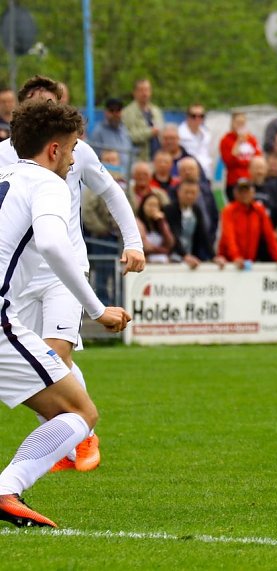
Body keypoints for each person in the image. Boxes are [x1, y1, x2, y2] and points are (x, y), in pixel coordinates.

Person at [0, 76, 144, 475]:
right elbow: (48, 241)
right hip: (18, 285)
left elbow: (112, 192)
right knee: (59, 387)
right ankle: (68, 432)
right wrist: (98, 310)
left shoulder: (72, 156)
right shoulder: (40, 176)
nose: (72, 155)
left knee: (55, 354)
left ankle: (65, 435)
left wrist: (133, 241)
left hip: (65, 273)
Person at [217, 179, 277, 269]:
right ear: (235, 194)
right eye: (241, 191)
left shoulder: (259, 210)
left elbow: (270, 236)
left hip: (249, 262)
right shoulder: (229, 211)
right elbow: (229, 237)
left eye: (247, 191)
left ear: (253, 193)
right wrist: (236, 257)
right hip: (228, 262)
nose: (244, 194)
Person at [163, 180, 217, 268]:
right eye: (186, 192)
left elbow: (203, 235)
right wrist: (184, 256)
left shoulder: (196, 210)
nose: (189, 196)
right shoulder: (169, 210)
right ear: (178, 192)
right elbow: (173, 234)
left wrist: (214, 256)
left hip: (190, 256)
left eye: (193, 193)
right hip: (171, 256)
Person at [219, 111, 261, 201]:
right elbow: (228, 161)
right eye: (238, 123)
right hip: (234, 181)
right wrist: (238, 143)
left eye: (242, 123)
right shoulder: (226, 140)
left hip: (250, 180)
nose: (240, 125)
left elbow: (258, 158)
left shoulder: (251, 139)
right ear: (232, 123)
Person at [88, 97, 134, 175]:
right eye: (112, 110)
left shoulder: (124, 129)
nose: (115, 114)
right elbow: (93, 160)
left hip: (127, 177)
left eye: (118, 110)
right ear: (105, 112)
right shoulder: (98, 132)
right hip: (109, 177)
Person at [122, 78, 164, 162]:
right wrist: (150, 132)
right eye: (141, 90)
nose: (144, 93)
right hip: (139, 159)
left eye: (147, 90)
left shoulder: (156, 111)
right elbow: (129, 136)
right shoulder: (127, 112)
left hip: (158, 159)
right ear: (134, 93)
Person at [136, 193, 175, 264]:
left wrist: (161, 222)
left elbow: (170, 243)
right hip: (144, 260)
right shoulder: (138, 222)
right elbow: (146, 247)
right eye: (150, 205)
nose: (152, 208)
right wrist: (164, 250)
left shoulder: (161, 222)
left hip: (162, 260)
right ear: (143, 206)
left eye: (155, 205)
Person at [178, 103, 213, 179]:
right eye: (193, 116)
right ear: (187, 117)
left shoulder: (207, 134)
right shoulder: (179, 134)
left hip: (206, 173)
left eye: (201, 116)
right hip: (187, 174)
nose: (197, 119)